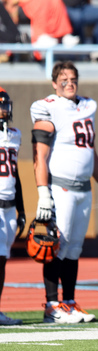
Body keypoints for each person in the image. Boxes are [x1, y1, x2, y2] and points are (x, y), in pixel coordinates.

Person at [31, 61, 98, 324]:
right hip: (61, 186)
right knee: (56, 245)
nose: (69, 83)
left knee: (75, 248)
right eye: (64, 79)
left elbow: (90, 150)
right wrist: (43, 192)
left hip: (83, 188)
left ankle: (68, 302)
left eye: (73, 78)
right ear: (54, 83)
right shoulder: (47, 107)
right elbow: (39, 156)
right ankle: (52, 305)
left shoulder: (88, 106)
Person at [0, 87, 25, 326]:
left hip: (8, 207)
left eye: (4, 105)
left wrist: (22, 210)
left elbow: (15, 176)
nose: (3, 110)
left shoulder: (14, 135)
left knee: (2, 260)